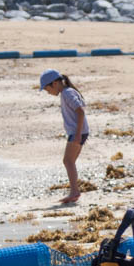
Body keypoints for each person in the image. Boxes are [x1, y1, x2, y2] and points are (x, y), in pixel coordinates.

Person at [39, 68, 89, 204]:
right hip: (80, 131)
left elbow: (80, 112)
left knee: (68, 161)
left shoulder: (67, 93)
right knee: (69, 161)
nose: (48, 92)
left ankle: (74, 191)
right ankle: (74, 190)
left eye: (47, 89)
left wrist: (78, 133)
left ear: (54, 83)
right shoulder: (66, 93)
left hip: (77, 132)